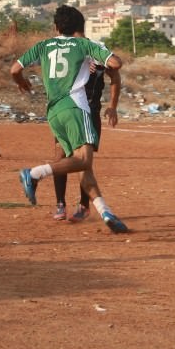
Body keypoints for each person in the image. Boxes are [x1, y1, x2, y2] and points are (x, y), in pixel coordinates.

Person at [11, 5, 129, 233]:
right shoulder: (85, 45)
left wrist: (21, 82)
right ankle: (34, 174)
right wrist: (99, 53)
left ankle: (105, 212)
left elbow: (14, 69)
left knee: (83, 165)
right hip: (77, 108)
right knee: (83, 161)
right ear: (80, 26)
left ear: (56, 27)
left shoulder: (44, 45)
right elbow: (116, 64)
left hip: (54, 112)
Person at [52, 29, 121, 223]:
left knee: (83, 161)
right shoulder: (61, 50)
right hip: (66, 111)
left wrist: (112, 106)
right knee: (60, 156)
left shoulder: (98, 49)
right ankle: (60, 203)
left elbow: (115, 76)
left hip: (89, 112)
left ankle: (84, 205)